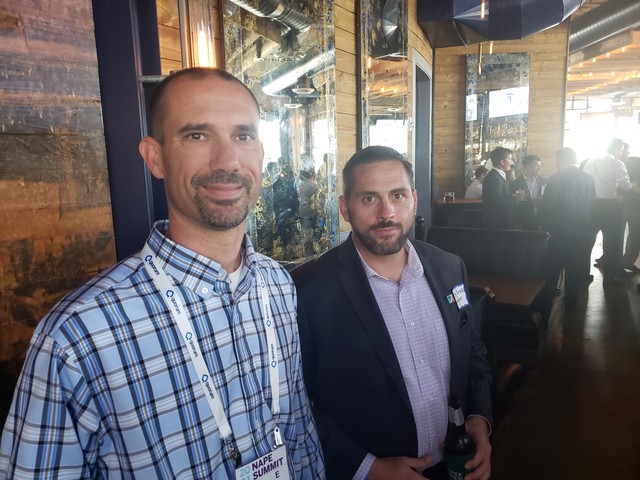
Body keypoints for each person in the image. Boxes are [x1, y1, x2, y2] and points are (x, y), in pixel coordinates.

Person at [0, 68, 324, 479]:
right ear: (155, 158)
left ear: (260, 152)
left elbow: (298, 435)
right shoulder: (77, 336)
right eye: (197, 136)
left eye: (243, 136)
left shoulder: (277, 284)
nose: (227, 161)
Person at [292, 146, 493, 480]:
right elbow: (296, 404)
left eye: (397, 195)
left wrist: (479, 419)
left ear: (413, 199)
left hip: (456, 465)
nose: (386, 212)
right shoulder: (308, 291)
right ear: (345, 207)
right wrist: (368, 468)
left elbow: (472, 351)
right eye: (369, 198)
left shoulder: (448, 266)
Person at [538, 148, 596, 313]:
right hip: (581, 231)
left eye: (556, 159)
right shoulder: (588, 179)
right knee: (574, 267)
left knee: (553, 267)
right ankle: (571, 302)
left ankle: (547, 301)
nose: (555, 163)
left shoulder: (556, 179)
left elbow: (547, 206)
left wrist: (545, 227)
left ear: (561, 160)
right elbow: (592, 202)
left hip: (559, 231)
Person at [582, 138, 632, 286]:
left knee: (587, 241)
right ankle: (609, 278)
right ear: (617, 149)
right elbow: (626, 184)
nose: (621, 153)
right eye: (621, 150)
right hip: (610, 207)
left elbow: (584, 181)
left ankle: (583, 274)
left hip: (591, 205)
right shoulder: (617, 163)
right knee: (611, 243)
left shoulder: (591, 161)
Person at [482, 147, 525, 229]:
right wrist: (516, 198)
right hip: (497, 224)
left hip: (502, 222)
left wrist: (513, 196)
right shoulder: (493, 178)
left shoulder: (497, 176)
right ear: (502, 162)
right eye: (510, 159)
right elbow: (497, 202)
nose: (512, 162)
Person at [511, 155, 546, 230]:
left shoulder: (544, 181)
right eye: (536, 165)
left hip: (541, 220)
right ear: (527, 166)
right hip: (523, 222)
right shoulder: (515, 183)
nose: (539, 168)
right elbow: (513, 203)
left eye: (540, 166)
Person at [622, 156, 640, 273]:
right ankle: (627, 261)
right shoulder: (636, 177)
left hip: (623, 207)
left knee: (618, 236)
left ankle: (616, 262)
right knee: (635, 236)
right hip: (636, 208)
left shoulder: (625, 175)